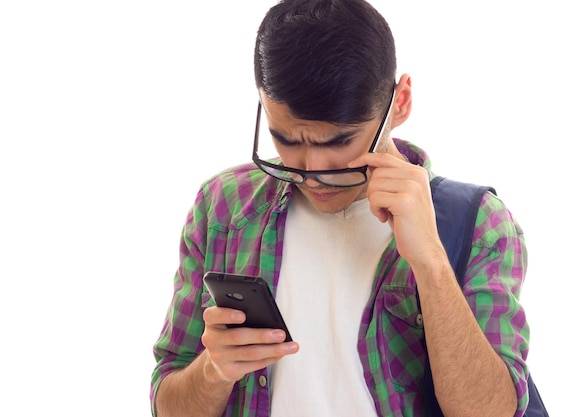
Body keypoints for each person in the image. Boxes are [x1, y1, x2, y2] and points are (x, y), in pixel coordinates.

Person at [150, 0, 531, 416]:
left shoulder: (478, 223)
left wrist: (432, 265)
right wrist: (212, 372)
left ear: (400, 103)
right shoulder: (223, 207)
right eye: (287, 140)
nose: (311, 172)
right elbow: (168, 403)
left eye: (338, 143)